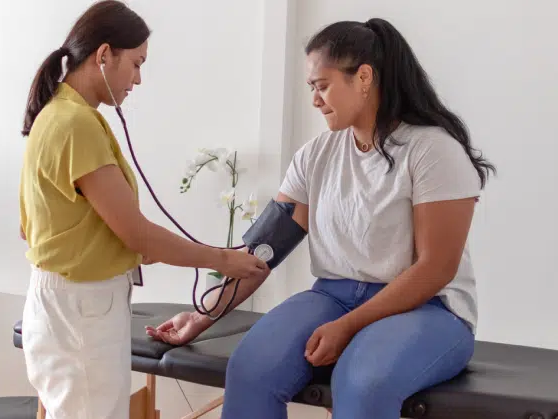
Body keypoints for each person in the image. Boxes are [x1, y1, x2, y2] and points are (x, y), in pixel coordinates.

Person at [146, 17, 495, 419]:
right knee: (249, 369)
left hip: (429, 309)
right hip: (333, 295)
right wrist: (204, 315)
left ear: (364, 77)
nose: (314, 99)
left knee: (364, 383)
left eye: (322, 85)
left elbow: (436, 269)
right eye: (311, 88)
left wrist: (348, 327)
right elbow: (261, 252)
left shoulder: (432, 151)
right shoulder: (317, 155)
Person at [17, 2, 269, 418]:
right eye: (135, 64)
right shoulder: (75, 124)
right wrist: (223, 260)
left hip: (68, 302)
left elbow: (34, 228)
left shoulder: (56, 116)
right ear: (103, 56)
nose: (138, 78)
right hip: (82, 308)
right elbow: (137, 235)